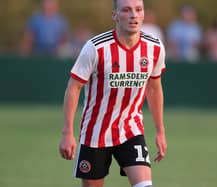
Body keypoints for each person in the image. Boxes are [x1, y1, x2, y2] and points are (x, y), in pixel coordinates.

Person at [59, 0, 167, 187]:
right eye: (126, 10)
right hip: (95, 132)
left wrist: (160, 131)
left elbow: (154, 88)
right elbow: (73, 87)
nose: (134, 15)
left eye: (138, 10)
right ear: (114, 15)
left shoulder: (154, 47)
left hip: (130, 129)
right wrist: (67, 132)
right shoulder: (96, 48)